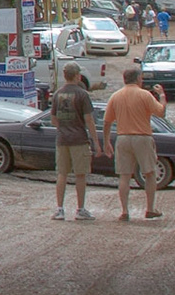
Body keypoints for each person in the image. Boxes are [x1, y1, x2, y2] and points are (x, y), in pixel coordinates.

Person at [102, 66, 165, 220]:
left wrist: (106, 141)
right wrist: (162, 95)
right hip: (142, 137)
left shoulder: (115, 96)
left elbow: (107, 121)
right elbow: (161, 112)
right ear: (138, 79)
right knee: (150, 173)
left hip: (123, 137)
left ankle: (124, 211)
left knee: (124, 175)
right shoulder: (145, 95)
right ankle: (150, 208)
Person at [50, 62, 99, 222]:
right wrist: (96, 142)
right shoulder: (83, 95)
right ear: (77, 75)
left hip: (62, 139)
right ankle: (80, 208)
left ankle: (59, 209)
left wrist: (64, 127)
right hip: (79, 139)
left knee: (62, 174)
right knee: (80, 175)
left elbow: (53, 119)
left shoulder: (57, 94)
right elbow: (89, 119)